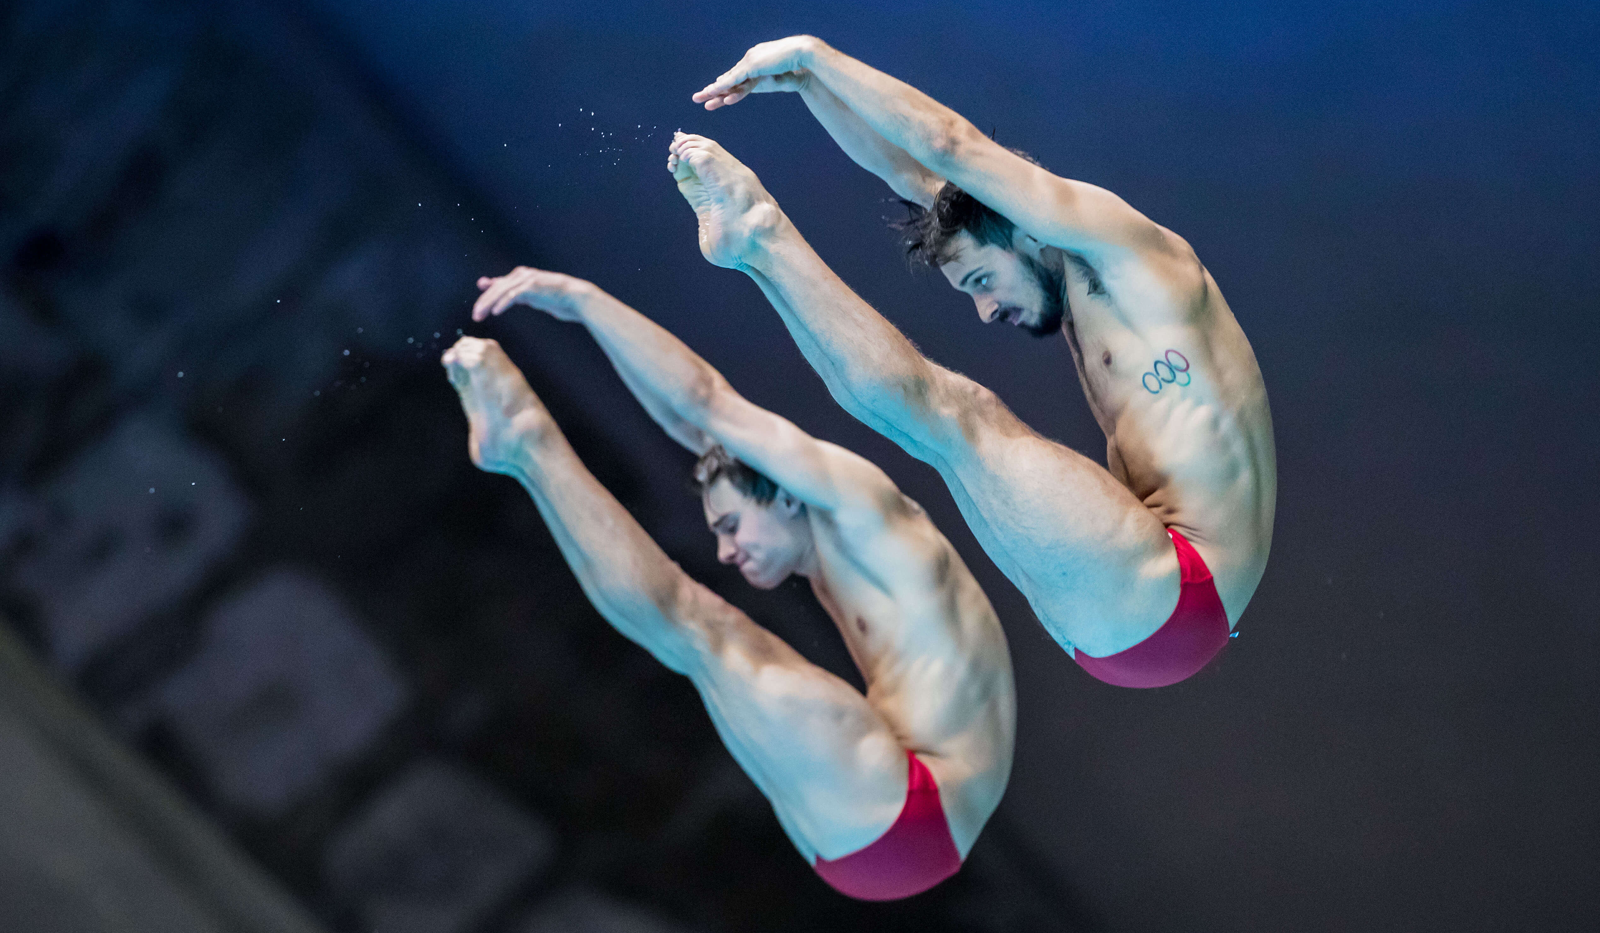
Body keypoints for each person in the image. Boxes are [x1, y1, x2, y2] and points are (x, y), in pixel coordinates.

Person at [669, 35, 1276, 688]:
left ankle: (759, 233)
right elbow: (909, 171)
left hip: (1171, 592)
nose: (986, 312)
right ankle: (756, 248)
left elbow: (952, 150)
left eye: (983, 280)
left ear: (1024, 228)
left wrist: (816, 55)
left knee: (956, 416)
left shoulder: (1130, 254)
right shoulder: (1067, 275)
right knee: (939, 431)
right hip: (1131, 601)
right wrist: (808, 88)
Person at [442, 266, 1015, 900]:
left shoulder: (860, 508)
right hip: (891, 819)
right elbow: (692, 425)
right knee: (694, 635)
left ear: (789, 497)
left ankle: (528, 445)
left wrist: (582, 299)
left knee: (698, 626)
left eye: (734, 525)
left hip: (906, 811)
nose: (725, 549)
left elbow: (707, 402)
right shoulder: (828, 549)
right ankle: (525, 450)